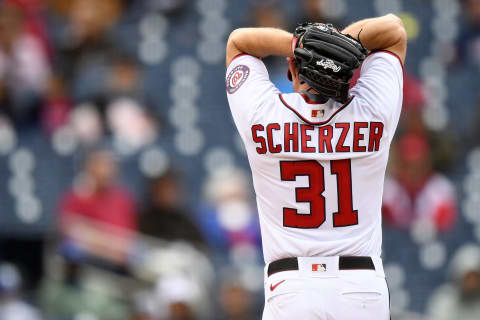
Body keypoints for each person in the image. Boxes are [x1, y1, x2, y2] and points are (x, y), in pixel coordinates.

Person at [225, 14, 406, 320]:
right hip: (361, 285)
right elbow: (394, 31)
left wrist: (297, 45)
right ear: (347, 72)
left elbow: (238, 43)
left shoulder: (264, 114)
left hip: (291, 285)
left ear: (292, 69)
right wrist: (343, 44)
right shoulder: (373, 108)